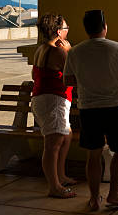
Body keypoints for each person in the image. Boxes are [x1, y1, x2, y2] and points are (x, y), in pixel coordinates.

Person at [63, 10, 118, 211]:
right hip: (114, 108)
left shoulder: (75, 52)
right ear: (105, 27)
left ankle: (94, 198)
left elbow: (68, 80)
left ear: (86, 29)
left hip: (88, 109)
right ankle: (114, 194)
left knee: (93, 154)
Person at [31, 13, 76, 199]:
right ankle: (54, 186)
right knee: (53, 144)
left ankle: (61, 175)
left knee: (66, 136)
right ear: (58, 32)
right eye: (66, 28)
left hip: (45, 98)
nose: (67, 31)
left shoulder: (41, 49)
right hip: (54, 100)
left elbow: (36, 76)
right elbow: (73, 73)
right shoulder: (58, 52)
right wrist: (70, 51)